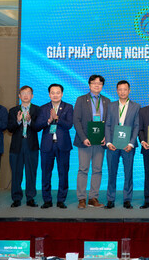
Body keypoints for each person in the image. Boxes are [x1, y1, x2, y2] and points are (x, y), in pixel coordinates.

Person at [73, 75, 111, 209]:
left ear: (102, 86)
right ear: (89, 85)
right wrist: (83, 138)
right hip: (85, 141)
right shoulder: (81, 99)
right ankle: (81, 198)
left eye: (99, 83)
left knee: (97, 170)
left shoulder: (107, 101)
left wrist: (106, 137)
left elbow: (109, 122)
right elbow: (76, 120)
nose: (97, 85)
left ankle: (93, 198)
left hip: (100, 141)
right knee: (83, 169)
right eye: (94, 83)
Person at [36, 83, 73, 209]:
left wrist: (57, 118)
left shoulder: (68, 107)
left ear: (62, 94)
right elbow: (37, 126)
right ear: (49, 94)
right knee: (46, 173)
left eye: (58, 92)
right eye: (53, 93)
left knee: (63, 173)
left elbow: (69, 125)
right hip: (47, 146)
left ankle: (61, 200)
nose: (55, 95)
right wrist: (48, 121)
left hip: (63, 145)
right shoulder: (43, 108)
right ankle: (47, 200)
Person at [104, 80, 140, 209]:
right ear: (117, 91)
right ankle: (110, 199)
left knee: (128, 172)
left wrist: (131, 143)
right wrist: (108, 142)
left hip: (128, 146)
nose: (122, 92)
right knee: (111, 172)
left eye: (125, 89)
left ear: (129, 91)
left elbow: (136, 126)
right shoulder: (111, 105)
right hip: (112, 145)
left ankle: (127, 199)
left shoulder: (136, 106)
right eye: (120, 89)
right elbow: (107, 125)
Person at [7, 85, 41, 208]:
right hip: (17, 145)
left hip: (31, 145)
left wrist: (30, 121)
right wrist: (18, 121)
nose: (26, 95)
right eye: (23, 93)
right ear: (19, 96)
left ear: (32, 96)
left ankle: (30, 197)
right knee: (16, 173)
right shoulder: (13, 110)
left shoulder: (37, 109)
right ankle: (16, 198)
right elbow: (9, 129)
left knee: (31, 172)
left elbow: (39, 127)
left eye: (28, 93)